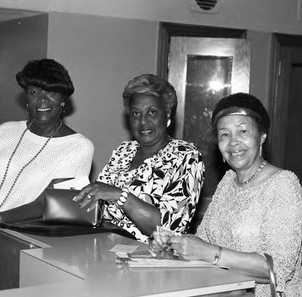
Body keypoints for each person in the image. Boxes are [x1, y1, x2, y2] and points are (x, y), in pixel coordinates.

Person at [154, 93, 302, 297]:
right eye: (224, 135)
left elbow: (277, 269)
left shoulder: (284, 185)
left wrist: (209, 253)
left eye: (243, 131)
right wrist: (174, 244)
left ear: (262, 136)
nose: (233, 142)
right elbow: (205, 238)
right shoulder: (227, 182)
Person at [0, 58, 94, 295]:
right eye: (34, 91)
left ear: (63, 100)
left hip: (16, 245)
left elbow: (48, 204)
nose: (41, 99)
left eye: (50, 92)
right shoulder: (5, 131)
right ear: (26, 98)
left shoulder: (78, 147)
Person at [74, 74, 205, 243]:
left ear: (167, 114)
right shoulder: (124, 151)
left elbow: (169, 230)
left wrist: (119, 196)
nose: (143, 121)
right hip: (104, 249)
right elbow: (98, 207)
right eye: (136, 113)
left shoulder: (186, 157)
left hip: (149, 259)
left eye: (151, 112)